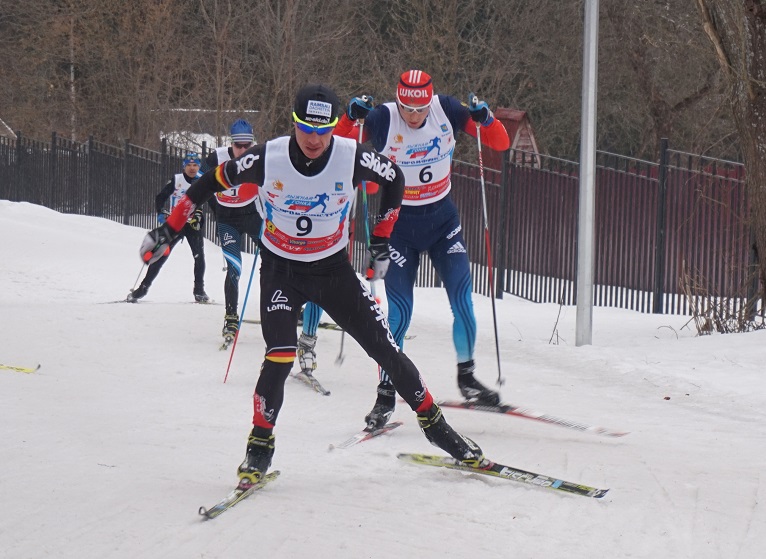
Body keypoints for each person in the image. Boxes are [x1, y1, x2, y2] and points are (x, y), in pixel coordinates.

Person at [138, 84, 487, 484]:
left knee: (385, 348)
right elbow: (206, 184)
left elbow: (395, 179)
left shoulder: (350, 155)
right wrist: (169, 229)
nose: (315, 139)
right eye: (307, 128)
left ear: (334, 126)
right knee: (280, 355)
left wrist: (381, 237)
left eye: (324, 130)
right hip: (281, 271)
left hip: (332, 272)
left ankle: (438, 429)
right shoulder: (266, 157)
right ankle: (259, 447)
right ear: (294, 123)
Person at [334, 70, 511, 429]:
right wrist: (350, 118)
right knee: (399, 313)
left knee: (462, 298)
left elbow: (500, 143)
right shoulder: (383, 118)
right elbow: (338, 148)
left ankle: (467, 377)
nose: (414, 116)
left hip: (443, 223)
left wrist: (486, 118)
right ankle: (385, 393)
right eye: (407, 108)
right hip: (399, 228)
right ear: (398, 101)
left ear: (429, 102)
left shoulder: (447, 109)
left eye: (420, 109)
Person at [202, 119, 263, 341]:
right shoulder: (217, 158)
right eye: (239, 145)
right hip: (228, 219)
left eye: (248, 145)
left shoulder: (259, 156)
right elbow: (202, 184)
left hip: (253, 215)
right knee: (234, 268)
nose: (243, 150)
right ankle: (230, 317)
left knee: (275, 260)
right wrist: (215, 209)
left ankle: (284, 306)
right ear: (231, 143)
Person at [127, 152, 209, 303]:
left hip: (192, 224)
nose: (192, 168)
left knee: (199, 257)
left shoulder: (202, 181)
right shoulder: (177, 180)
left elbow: (209, 201)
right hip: (175, 223)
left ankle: (199, 291)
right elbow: (160, 197)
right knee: (160, 255)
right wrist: (161, 212)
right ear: (184, 166)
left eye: (195, 165)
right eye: (189, 165)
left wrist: (200, 216)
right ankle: (142, 289)